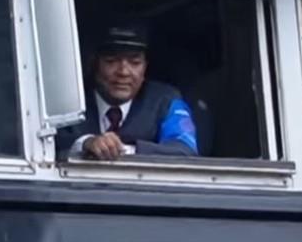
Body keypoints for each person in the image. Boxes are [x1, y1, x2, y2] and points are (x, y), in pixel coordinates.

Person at [58, 22, 199, 160]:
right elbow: (47, 147)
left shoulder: (165, 100)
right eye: (111, 61)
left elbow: (185, 151)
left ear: (145, 68)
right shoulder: (68, 99)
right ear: (93, 63)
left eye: (135, 63)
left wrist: (127, 151)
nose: (124, 72)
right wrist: (85, 143)